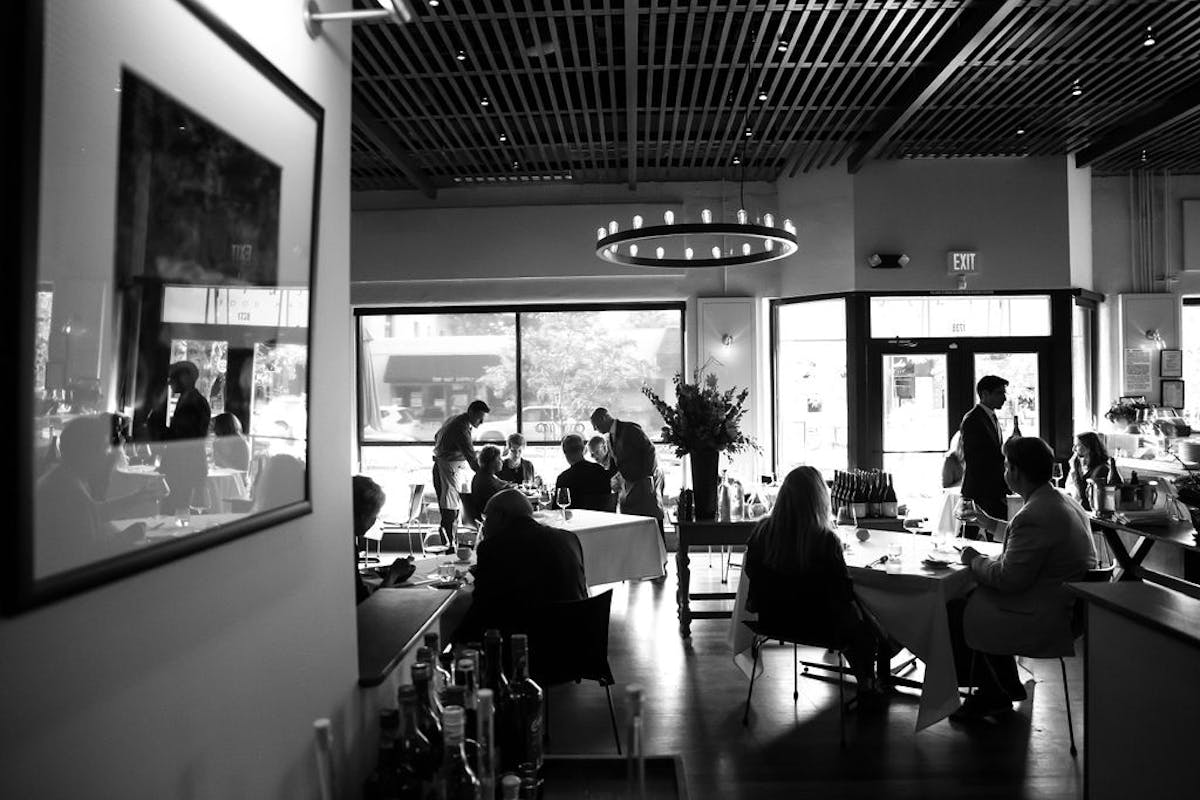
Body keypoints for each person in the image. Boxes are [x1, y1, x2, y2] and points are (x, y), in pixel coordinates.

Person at [950, 436, 1096, 720]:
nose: (1004, 471)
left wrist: (972, 559)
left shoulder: (1036, 514)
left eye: (1006, 465)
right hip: (1066, 605)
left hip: (1043, 614)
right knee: (973, 598)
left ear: (1016, 471)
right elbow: (1030, 545)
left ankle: (992, 691)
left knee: (956, 608)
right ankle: (1002, 685)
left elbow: (1008, 579)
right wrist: (988, 523)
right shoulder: (1059, 501)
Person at [744, 465, 890, 709]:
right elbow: (842, 593)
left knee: (860, 620)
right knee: (868, 624)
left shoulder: (761, 532)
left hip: (772, 620)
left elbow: (752, 574)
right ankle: (868, 683)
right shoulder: (825, 541)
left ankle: (868, 680)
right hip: (822, 627)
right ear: (819, 499)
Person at [35, 414, 166, 575]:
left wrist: (135, 498)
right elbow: (89, 554)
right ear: (87, 452)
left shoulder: (64, 476)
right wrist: (131, 535)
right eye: (103, 447)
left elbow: (91, 513)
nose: (107, 454)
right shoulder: (69, 492)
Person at [453, 488, 587, 643]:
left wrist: (456, 638)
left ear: (501, 516)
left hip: (529, 642)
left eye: (486, 517)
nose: (485, 524)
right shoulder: (569, 538)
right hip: (576, 634)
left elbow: (483, 606)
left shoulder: (494, 547)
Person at [590, 407, 665, 537]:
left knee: (652, 523)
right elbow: (615, 463)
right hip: (629, 486)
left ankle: (659, 555)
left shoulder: (629, 429)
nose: (595, 430)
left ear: (604, 418)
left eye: (595, 425)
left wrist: (647, 476)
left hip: (643, 484)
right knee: (636, 527)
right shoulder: (609, 438)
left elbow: (650, 450)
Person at [148, 360, 211, 514]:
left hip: (185, 469)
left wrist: (157, 425)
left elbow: (182, 438)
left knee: (179, 514)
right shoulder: (187, 400)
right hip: (183, 467)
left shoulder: (194, 403)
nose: (170, 382)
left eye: (174, 377)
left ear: (186, 378)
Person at [431, 400, 490, 548]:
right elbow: (470, 457)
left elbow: (436, 436)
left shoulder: (454, 419)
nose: (482, 422)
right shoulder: (461, 428)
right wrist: (487, 475)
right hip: (447, 468)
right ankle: (449, 547)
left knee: (453, 510)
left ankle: (451, 545)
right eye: (479, 418)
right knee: (449, 511)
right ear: (471, 412)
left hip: (446, 465)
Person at [958, 375, 1010, 540]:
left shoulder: (990, 417)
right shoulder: (973, 419)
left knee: (997, 537)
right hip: (981, 488)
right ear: (984, 394)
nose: (1004, 397)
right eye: (999, 393)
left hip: (994, 488)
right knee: (971, 538)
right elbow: (975, 456)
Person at [352, 475, 414, 604]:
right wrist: (393, 574)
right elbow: (367, 605)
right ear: (362, 516)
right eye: (374, 515)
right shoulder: (345, 550)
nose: (374, 521)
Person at [554, 434, 616, 511]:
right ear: (583, 450)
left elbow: (558, 510)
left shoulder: (563, 479)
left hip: (576, 521)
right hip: (602, 520)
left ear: (565, 453)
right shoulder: (600, 471)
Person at [1066, 431, 1110, 511]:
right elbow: (1069, 487)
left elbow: (1084, 495)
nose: (1073, 449)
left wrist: (1073, 470)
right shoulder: (1078, 464)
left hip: (1091, 513)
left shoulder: (1101, 469)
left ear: (1088, 448)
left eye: (1077, 445)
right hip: (1079, 509)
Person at [469, 445, 511, 520]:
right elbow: (498, 502)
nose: (502, 461)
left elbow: (501, 484)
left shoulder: (482, 475)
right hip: (493, 518)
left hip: (485, 515)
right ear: (492, 462)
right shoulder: (487, 480)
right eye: (499, 458)